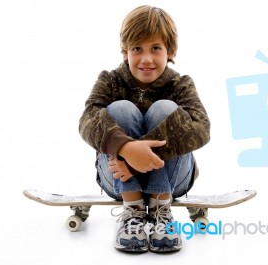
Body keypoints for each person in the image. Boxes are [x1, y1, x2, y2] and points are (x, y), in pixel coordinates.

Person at [79, 5, 210, 253]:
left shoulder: (180, 85)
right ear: (125, 50)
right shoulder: (110, 80)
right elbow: (87, 120)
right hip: (118, 180)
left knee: (165, 108)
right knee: (121, 109)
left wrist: (135, 160)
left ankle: (162, 209)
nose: (146, 58)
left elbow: (201, 128)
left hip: (174, 181)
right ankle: (133, 210)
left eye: (156, 48)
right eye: (137, 48)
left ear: (169, 51)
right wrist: (126, 149)